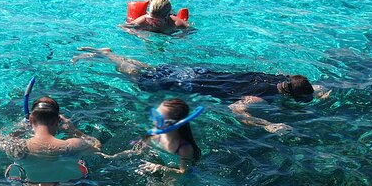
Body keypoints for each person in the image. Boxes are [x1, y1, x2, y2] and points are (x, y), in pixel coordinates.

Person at [74, 47, 325, 133]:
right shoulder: (261, 98)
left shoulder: (279, 78)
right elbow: (236, 109)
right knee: (138, 79)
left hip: (198, 72)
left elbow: (306, 85)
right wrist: (266, 125)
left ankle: (114, 55)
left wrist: (320, 90)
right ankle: (111, 57)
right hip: (192, 84)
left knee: (154, 68)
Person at [101, 99, 202, 174]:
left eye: (158, 118)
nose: (153, 121)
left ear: (174, 124)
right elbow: (138, 151)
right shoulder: (154, 136)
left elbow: (184, 172)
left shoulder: (184, 148)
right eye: (154, 114)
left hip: (176, 176)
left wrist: (160, 168)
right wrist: (113, 157)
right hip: (159, 167)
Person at [122, 0, 189, 34]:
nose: (153, 23)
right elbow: (124, 27)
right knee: (155, 1)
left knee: (162, 4)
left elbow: (189, 30)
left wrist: (179, 36)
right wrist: (137, 34)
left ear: (167, 17)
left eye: (158, 21)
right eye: (151, 19)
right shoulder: (144, 20)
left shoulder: (175, 23)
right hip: (157, 11)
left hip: (166, 12)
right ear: (148, 14)